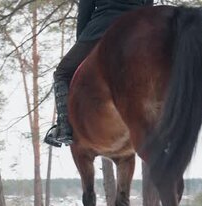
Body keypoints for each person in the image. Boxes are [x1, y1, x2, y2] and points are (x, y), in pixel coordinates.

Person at [44, 0, 154, 147]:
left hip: (100, 28)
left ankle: (64, 128)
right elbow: (148, 7)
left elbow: (85, 10)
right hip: (137, 29)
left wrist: (82, 40)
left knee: (62, 73)